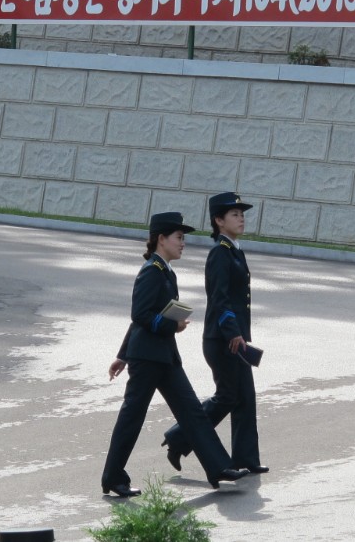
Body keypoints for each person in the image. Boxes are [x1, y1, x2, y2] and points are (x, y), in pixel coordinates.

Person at [100, 211, 247, 497]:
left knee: (193, 413)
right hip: (148, 360)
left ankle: (219, 468)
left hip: (164, 357)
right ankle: (113, 477)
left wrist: (122, 355)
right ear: (161, 239)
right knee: (132, 418)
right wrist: (172, 325)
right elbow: (140, 314)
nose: (183, 243)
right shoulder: (151, 272)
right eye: (179, 237)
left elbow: (141, 319)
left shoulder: (166, 271)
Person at [161, 192, 268, 475]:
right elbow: (219, 298)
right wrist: (233, 332)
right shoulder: (219, 254)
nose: (241, 218)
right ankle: (178, 437)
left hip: (237, 338)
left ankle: (246, 458)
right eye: (234, 214)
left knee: (244, 396)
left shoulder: (233, 250)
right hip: (222, 340)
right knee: (228, 396)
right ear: (219, 221)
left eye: (242, 214)